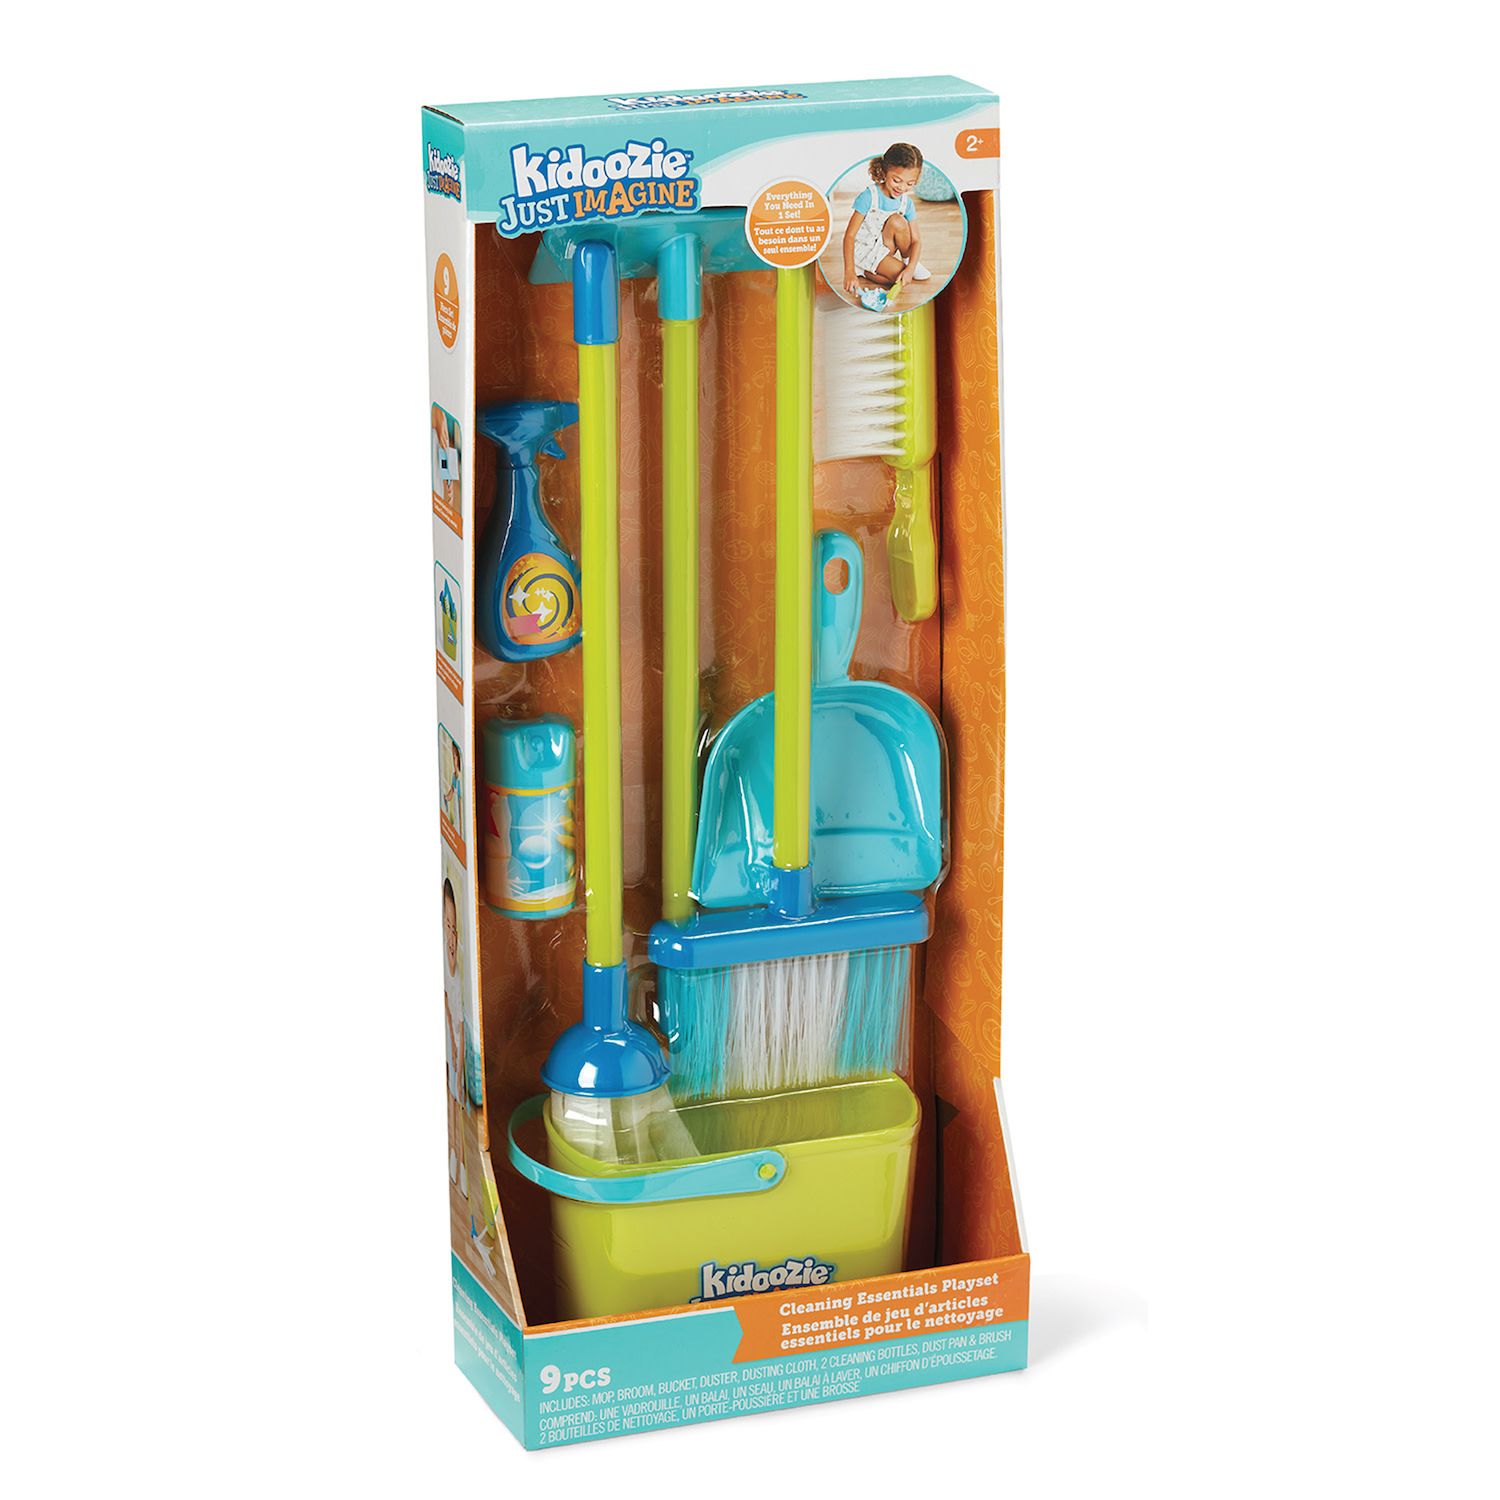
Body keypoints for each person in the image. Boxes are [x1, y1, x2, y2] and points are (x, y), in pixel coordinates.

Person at [842, 143, 932, 296]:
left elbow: (916, 240)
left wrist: (911, 267)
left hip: (883, 244)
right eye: (897, 180)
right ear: (884, 171)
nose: (902, 188)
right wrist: (849, 271)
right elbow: (849, 236)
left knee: (898, 221)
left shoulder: (906, 203)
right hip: (865, 248)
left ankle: (905, 261)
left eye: (910, 183)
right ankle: (863, 269)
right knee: (898, 276)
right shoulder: (868, 197)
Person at [442, 878, 467, 1198]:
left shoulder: (459, 974)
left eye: (455, 928)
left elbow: (459, 1021)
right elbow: (448, 1015)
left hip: (461, 1047)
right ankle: (455, 1157)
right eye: (447, 926)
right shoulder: (448, 975)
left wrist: (459, 1063)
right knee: (452, 1102)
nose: (451, 936)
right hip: (452, 1044)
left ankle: (460, 1156)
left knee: (459, 1104)